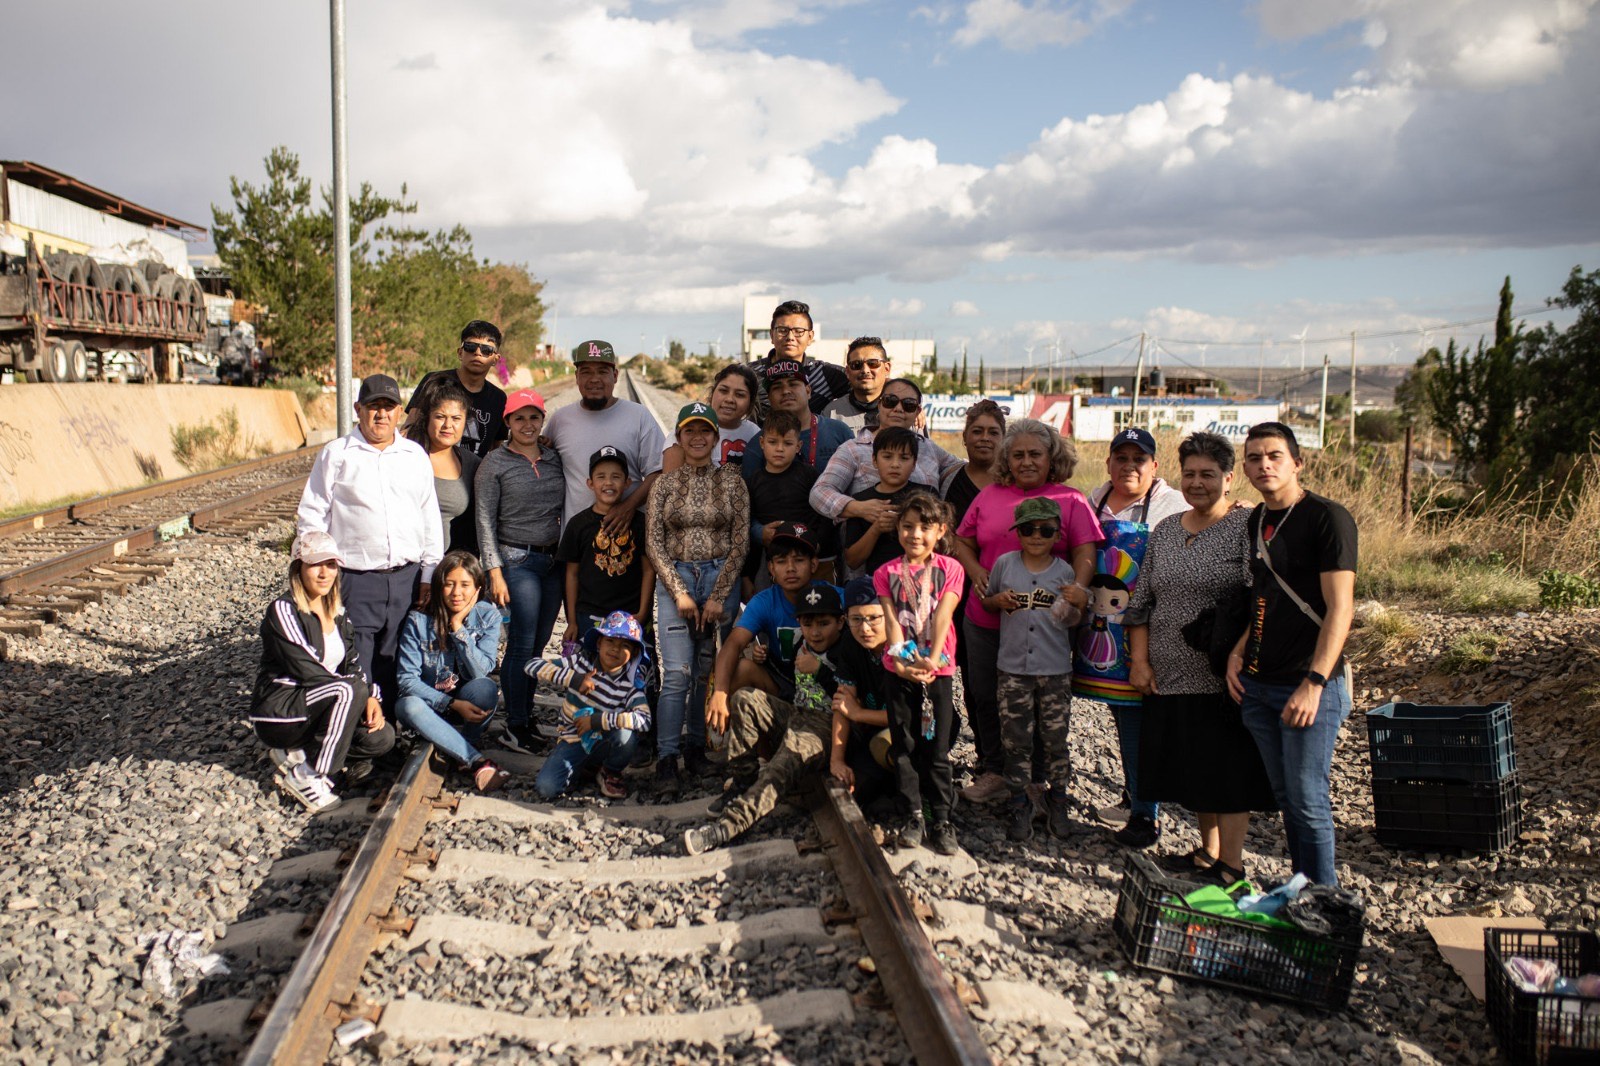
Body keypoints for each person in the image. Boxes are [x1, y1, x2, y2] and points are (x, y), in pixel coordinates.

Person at [1126, 431, 1274, 886]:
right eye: (1189, 473)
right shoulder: (1168, 529)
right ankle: (1208, 853)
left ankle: (1231, 864)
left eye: (1208, 474)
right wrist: (1140, 660)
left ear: (1229, 479)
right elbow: (1141, 601)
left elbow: (1261, 598)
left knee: (1227, 770)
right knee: (1194, 766)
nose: (1197, 483)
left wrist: (1240, 652)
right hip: (1169, 674)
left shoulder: (1246, 527)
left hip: (1221, 674)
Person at [1226, 422, 1357, 886]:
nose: (1264, 465)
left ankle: (1325, 901)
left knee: (1308, 800)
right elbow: (1263, 595)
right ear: (1244, 467)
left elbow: (1341, 606)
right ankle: (1302, 891)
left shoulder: (1327, 518)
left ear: (1297, 463)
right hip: (1260, 684)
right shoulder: (1254, 521)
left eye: (1275, 456)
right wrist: (1238, 653)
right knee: (1286, 800)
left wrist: (1315, 683)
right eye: (1255, 458)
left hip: (1307, 684)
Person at [952, 418, 1099, 807]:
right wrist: (976, 571)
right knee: (984, 695)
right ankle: (994, 770)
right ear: (1006, 458)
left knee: (1037, 699)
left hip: (1045, 622)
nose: (1026, 461)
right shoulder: (988, 495)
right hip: (985, 618)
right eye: (1017, 455)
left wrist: (1079, 588)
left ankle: (1034, 780)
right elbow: (961, 541)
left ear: (1053, 458)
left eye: (1035, 454)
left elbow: (1086, 550)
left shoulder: (1072, 500)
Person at [1071, 425, 1192, 848]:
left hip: (1150, 630)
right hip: (1102, 632)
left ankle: (1146, 814)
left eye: (1138, 459)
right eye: (1121, 458)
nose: (1128, 466)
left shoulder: (1172, 505)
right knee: (1121, 716)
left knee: (1139, 721)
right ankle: (1135, 793)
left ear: (1154, 466)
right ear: (1108, 463)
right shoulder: (1094, 500)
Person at [297, 373, 443, 711]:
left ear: (398, 412)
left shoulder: (414, 456)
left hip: (406, 577)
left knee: (396, 659)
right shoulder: (336, 454)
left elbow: (428, 516)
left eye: (389, 407)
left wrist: (427, 574)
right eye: (373, 407)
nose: (381, 414)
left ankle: (388, 735)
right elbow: (312, 513)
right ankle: (361, 737)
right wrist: (316, 570)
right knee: (357, 661)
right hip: (355, 578)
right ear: (357, 409)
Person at [683, 584, 847, 854]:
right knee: (746, 699)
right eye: (807, 624)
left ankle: (726, 828)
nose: (815, 632)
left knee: (779, 770)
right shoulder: (801, 642)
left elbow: (850, 700)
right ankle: (743, 779)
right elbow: (785, 676)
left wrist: (819, 672)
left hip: (823, 726)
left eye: (824, 623)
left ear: (840, 623)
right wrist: (764, 658)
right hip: (796, 712)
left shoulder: (846, 651)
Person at [646, 401, 751, 794]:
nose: (697, 438)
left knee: (705, 672)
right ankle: (667, 758)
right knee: (678, 673)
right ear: (679, 436)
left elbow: (740, 543)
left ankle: (695, 750)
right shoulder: (665, 485)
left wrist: (717, 596)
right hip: (676, 579)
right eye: (689, 431)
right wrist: (680, 594)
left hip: (718, 576)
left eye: (704, 431)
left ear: (715, 437)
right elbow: (654, 544)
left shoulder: (732, 482)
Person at [251, 531, 395, 812]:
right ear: (298, 568)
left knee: (382, 737)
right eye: (316, 564)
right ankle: (308, 774)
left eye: (331, 565)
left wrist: (370, 697)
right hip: (282, 711)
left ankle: (299, 754)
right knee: (347, 689)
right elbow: (307, 669)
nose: (324, 573)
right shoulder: (283, 610)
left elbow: (354, 663)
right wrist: (356, 693)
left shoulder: (339, 612)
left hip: (324, 706)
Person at [980, 498, 1083, 843]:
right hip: (1012, 670)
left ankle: (1058, 800)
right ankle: (1019, 802)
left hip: (1053, 670)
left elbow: (1073, 621)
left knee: (1055, 740)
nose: (1037, 536)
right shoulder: (1005, 564)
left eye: (1046, 530)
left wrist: (1075, 604)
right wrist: (997, 602)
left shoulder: (1065, 572)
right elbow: (988, 601)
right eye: (1028, 529)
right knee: (1016, 742)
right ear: (1017, 533)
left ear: (1057, 534)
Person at [705, 524, 827, 805]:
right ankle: (762, 759)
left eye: (799, 560)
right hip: (783, 691)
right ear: (770, 568)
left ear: (814, 564)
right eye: (782, 562)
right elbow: (734, 644)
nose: (790, 568)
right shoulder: (765, 601)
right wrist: (720, 693)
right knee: (742, 670)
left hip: (824, 697)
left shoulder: (832, 596)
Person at [475, 388, 566, 755]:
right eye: (519, 418)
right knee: (521, 644)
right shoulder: (494, 465)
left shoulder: (553, 458)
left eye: (533, 417)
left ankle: (526, 719)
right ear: (508, 423)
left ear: (542, 420)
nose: (527, 424)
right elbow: (484, 521)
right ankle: (515, 725)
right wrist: (494, 571)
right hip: (516, 561)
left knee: (539, 644)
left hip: (552, 562)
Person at [876, 491, 965, 855]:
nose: (915, 535)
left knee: (938, 747)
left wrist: (933, 658)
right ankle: (913, 813)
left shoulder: (950, 568)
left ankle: (942, 817)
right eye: (908, 527)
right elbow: (892, 620)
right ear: (897, 529)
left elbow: (944, 614)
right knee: (905, 745)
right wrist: (900, 659)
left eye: (925, 528)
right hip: (898, 668)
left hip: (937, 669)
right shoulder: (886, 573)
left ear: (940, 530)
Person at [394, 550, 509, 793]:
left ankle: (460, 741)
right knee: (407, 705)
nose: (457, 593)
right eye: (449, 584)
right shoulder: (418, 620)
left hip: (468, 706)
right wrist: (449, 703)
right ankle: (475, 760)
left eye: (465, 585)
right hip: (431, 707)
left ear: (478, 588)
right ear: (438, 587)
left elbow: (481, 671)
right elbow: (406, 680)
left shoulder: (488, 616)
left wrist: (459, 629)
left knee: (486, 687)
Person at [527, 611, 652, 800]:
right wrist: (574, 679)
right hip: (573, 739)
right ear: (599, 643)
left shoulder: (631, 683)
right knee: (547, 788)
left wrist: (598, 721)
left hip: (606, 740)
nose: (615, 650)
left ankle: (610, 770)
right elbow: (532, 666)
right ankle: (584, 767)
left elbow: (644, 719)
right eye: (610, 641)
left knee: (626, 734)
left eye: (624, 645)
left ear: (634, 653)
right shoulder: (581, 662)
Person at [544, 339, 666, 530]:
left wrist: (628, 507)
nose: (594, 379)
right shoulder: (560, 420)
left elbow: (659, 471)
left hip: (628, 537)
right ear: (576, 377)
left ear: (615, 376)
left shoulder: (639, 416)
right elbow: (538, 461)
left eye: (602, 371)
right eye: (586, 372)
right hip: (577, 542)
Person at [809, 377, 965, 526]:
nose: (898, 409)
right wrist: (859, 508)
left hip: (920, 543)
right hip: (868, 545)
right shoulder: (853, 449)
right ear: (879, 404)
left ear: (917, 412)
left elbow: (962, 470)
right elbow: (819, 493)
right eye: (891, 402)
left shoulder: (929, 447)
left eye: (908, 404)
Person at [943, 400, 1006, 773]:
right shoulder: (950, 479)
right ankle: (987, 757)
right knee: (974, 682)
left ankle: (1019, 764)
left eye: (993, 432)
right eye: (977, 431)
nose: (984, 438)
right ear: (964, 438)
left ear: (1003, 438)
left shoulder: (1013, 480)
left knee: (1010, 682)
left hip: (1010, 593)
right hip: (960, 594)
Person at [556, 446, 655, 647]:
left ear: (628, 483)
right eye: (601, 477)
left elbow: (648, 569)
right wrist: (572, 620)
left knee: (636, 669)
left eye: (616, 477)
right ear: (590, 483)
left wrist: (644, 612)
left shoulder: (640, 523)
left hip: (631, 614)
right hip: (589, 614)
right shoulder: (578, 524)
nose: (608, 482)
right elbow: (571, 575)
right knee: (589, 672)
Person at [828, 577, 907, 815]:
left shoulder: (904, 646)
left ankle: (924, 800)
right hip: (878, 730)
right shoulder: (851, 646)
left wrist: (860, 713)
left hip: (917, 729)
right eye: (856, 619)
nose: (864, 628)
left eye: (874, 618)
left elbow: (907, 716)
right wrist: (837, 760)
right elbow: (842, 703)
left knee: (895, 749)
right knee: (856, 788)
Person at [743, 408, 827, 590]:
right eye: (773, 442)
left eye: (787, 443)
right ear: (762, 443)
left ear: (798, 446)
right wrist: (747, 575)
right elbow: (747, 526)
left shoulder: (809, 475)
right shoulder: (753, 482)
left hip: (809, 555)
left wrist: (819, 543)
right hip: (771, 560)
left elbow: (825, 514)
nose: (779, 449)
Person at [841, 427, 936, 578]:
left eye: (904, 458)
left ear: (914, 464)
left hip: (921, 580)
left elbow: (942, 545)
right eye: (887, 456)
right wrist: (876, 529)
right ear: (874, 460)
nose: (895, 464)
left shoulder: (927, 495)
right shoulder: (862, 501)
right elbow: (852, 561)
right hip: (877, 585)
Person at [404, 320, 508, 459]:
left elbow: (497, 447)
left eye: (486, 350)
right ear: (460, 352)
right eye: (471, 347)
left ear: (495, 359)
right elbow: (410, 427)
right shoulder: (435, 381)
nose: (477, 353)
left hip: (473, 477)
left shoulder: (498, 398)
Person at [404, 376, 482, 554]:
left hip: (449, 568)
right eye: (440, 417)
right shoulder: (406, 456)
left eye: (456, 418)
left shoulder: (471, 463)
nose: (448, 425)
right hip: (408, 565)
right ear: (428, 419)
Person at [741, 360, 854, 478]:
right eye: (777, 387)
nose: (786, 391)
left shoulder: (840, 432)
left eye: (793, 384)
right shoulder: (758, 445)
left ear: (808, 391)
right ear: (769, 398)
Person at [750, 299, 850, 419]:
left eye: (799, 331)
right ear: (772, 335)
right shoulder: (750, 374)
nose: (790, 337)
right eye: (782, 330)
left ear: (810, 337)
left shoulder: (827, 374)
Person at [662, 363, 761, 471]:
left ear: (750, 403)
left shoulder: (755, 435)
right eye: (723, 390)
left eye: (739, 394)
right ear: (712, 393)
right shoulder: (685, 432)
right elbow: (670, 483)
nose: (729, 399)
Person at [820, 337, 891, 431]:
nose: (865, 370)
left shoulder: (904, 409)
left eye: (873, 363)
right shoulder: (832, 414)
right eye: (856, 365)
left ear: (886, 368)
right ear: (848, 372)